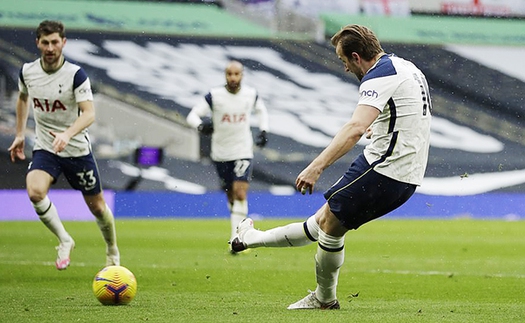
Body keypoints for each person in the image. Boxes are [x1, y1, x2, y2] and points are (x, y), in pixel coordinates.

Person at [230, 24, 432, 309]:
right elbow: (411, 111)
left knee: (328, 225)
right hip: (408, 177)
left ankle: (324, 299)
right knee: (322, 222)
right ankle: (250, 238)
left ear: (355, 56)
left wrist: (317, 166)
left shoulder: (378, 75)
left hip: (384, 167)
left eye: (343, 61)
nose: (346, 69)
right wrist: (383, 125)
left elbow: (354, 129)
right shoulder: (406, 68)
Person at [8, 20, 120, 270]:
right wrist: (19, 134)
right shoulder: (27, 71)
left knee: (98, 207)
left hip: (77, 150)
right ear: (38, 43)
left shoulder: (75, 75)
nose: (50, 47)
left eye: (55, 42)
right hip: (47, 147)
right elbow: (23, 98)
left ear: (63, 43)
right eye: (45, 42)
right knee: (35, 191)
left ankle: (112, 249)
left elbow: (89, 114)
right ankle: (64, 239)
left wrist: (68, 134)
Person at [186, 60, 269, 252]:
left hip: (242, 151)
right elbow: (192, 115)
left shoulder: (250, 94)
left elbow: (261, 111)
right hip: (221, 153)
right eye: (229, 74)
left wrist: (264, 130)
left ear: (242, 75)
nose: (233, 78)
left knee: (240, 192)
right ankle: (239, 234)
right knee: (231, 196)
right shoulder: (215, 96)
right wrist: (200, 126)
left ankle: (238, 240)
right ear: (225, 75)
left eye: (236, 74)